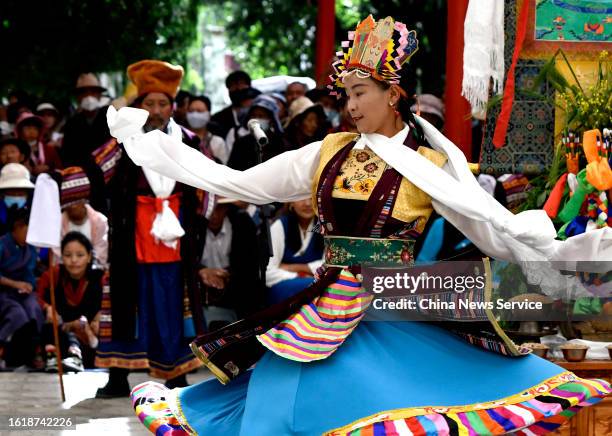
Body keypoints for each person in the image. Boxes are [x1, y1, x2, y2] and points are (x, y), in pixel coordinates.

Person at [109, 15, 611, 435]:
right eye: (346, 93)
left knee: (384, 413)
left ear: (393, 93)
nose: (350, 105)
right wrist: (152, 145)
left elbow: (495, 233)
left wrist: (577, 255)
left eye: (360, 92)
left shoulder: (429, 166)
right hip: (323, 313)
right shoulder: (327, 152)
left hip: (394, 308)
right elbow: (242, 182)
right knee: (277, 404)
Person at [95, 60, 208, 398]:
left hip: (175, 238)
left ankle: (175, 373)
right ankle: (118, 376)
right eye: (149, 103)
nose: (156, 111)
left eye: (163, 104)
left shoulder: (188, 139)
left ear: (174, 107)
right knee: (127, 303)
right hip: (132, 236)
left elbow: (206, 184)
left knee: (173, 304)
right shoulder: (124, 140)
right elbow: (98, 172)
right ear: (138, 106)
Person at [37, 232, 105, 372]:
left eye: (80, 255)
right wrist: (47, 307)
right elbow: (36, 297)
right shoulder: (53, 275)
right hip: (58, 335)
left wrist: (101, 315)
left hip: (91, 340)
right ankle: (53, 358)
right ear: (61, 257)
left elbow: (111, 303)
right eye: (68, 255)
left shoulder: (100, 277)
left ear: (89, 257)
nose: (73, 260)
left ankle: (76, 356)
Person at [198, 198, 263, 325]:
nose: (214, 215)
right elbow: (185, 260)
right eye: (211, 209)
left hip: (234, 288)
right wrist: (201, 270)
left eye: (219, 208)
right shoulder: (192, 228)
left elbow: (250, 267)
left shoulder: (242, 224)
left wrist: (227, 275)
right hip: (199, 288)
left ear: (227, 207)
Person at [61, 73, 111, 213]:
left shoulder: (111, 117)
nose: (88, 96)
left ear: (100, 95)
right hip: (82, 187)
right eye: (83, 92)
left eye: (93, 91)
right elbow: (67, 158)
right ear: (77, 97)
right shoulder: (72, 124)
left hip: (110, 186)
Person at [0, 207, 43, 370]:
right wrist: (14, 284)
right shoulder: (2, 245)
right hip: (3, 292)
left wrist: (29, 285)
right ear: (17, 226)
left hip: (23, 292)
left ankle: (34, 351)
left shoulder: (30, 248)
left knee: (34, 308)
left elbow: (29, 273)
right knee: (16, 313)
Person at [266, 199, 324, 305]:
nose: (307, 203)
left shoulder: (322, 226)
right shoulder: (280, 225)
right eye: (301, 197)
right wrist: (300, 275)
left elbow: (329, 265)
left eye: (311, 198)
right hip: (283, 286)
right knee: (318, 286)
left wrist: (295, 267)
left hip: (315, 283)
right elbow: (268, 272)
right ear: (291, 202)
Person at [55, 167, 109, 269]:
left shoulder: (100, 221)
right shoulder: (57, 223)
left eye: (76, 201)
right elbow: (56, 254)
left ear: (84, 200)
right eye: (69, 202)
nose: (73, 206)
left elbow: (101, 253)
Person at [226, 95, 287, 170]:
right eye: (254, 116)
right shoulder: (241, 143)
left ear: (271, 120)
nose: (257, 119)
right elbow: (232, 168)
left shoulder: (280, 143)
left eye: (261, 116)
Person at [209, 71, 253, 139]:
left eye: (241, 84)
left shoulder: (260, 114)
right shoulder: (218, 118)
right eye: (233, 85)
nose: (238, 88)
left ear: (249, 87)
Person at [185, 95, 227, 163]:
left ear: (209, 114)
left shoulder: (218, 142)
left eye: (199, 111)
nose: (195, 115)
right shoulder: (178, 137)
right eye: (191, 111)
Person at [0, 163, 34, 236]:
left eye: (20, 193)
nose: (16, 196)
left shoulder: (32, 212)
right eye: (12, 192)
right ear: (3, 194)